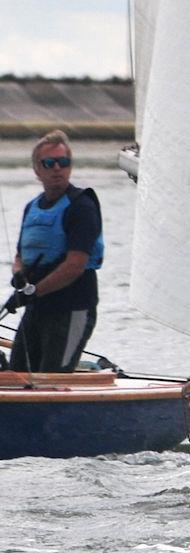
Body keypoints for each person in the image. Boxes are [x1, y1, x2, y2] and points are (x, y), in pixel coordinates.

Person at [3, 130, 104, 372]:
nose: (57, 168)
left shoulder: (82, 206)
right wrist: (19, 274)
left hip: (73, 308)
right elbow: (20, 256)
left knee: (52, 377)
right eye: (49, 163)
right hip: (38, 307)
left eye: (63, 162)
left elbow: (75, 265)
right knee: (17, 375)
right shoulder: (32, 208)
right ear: (37, 169)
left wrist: (34, 291)